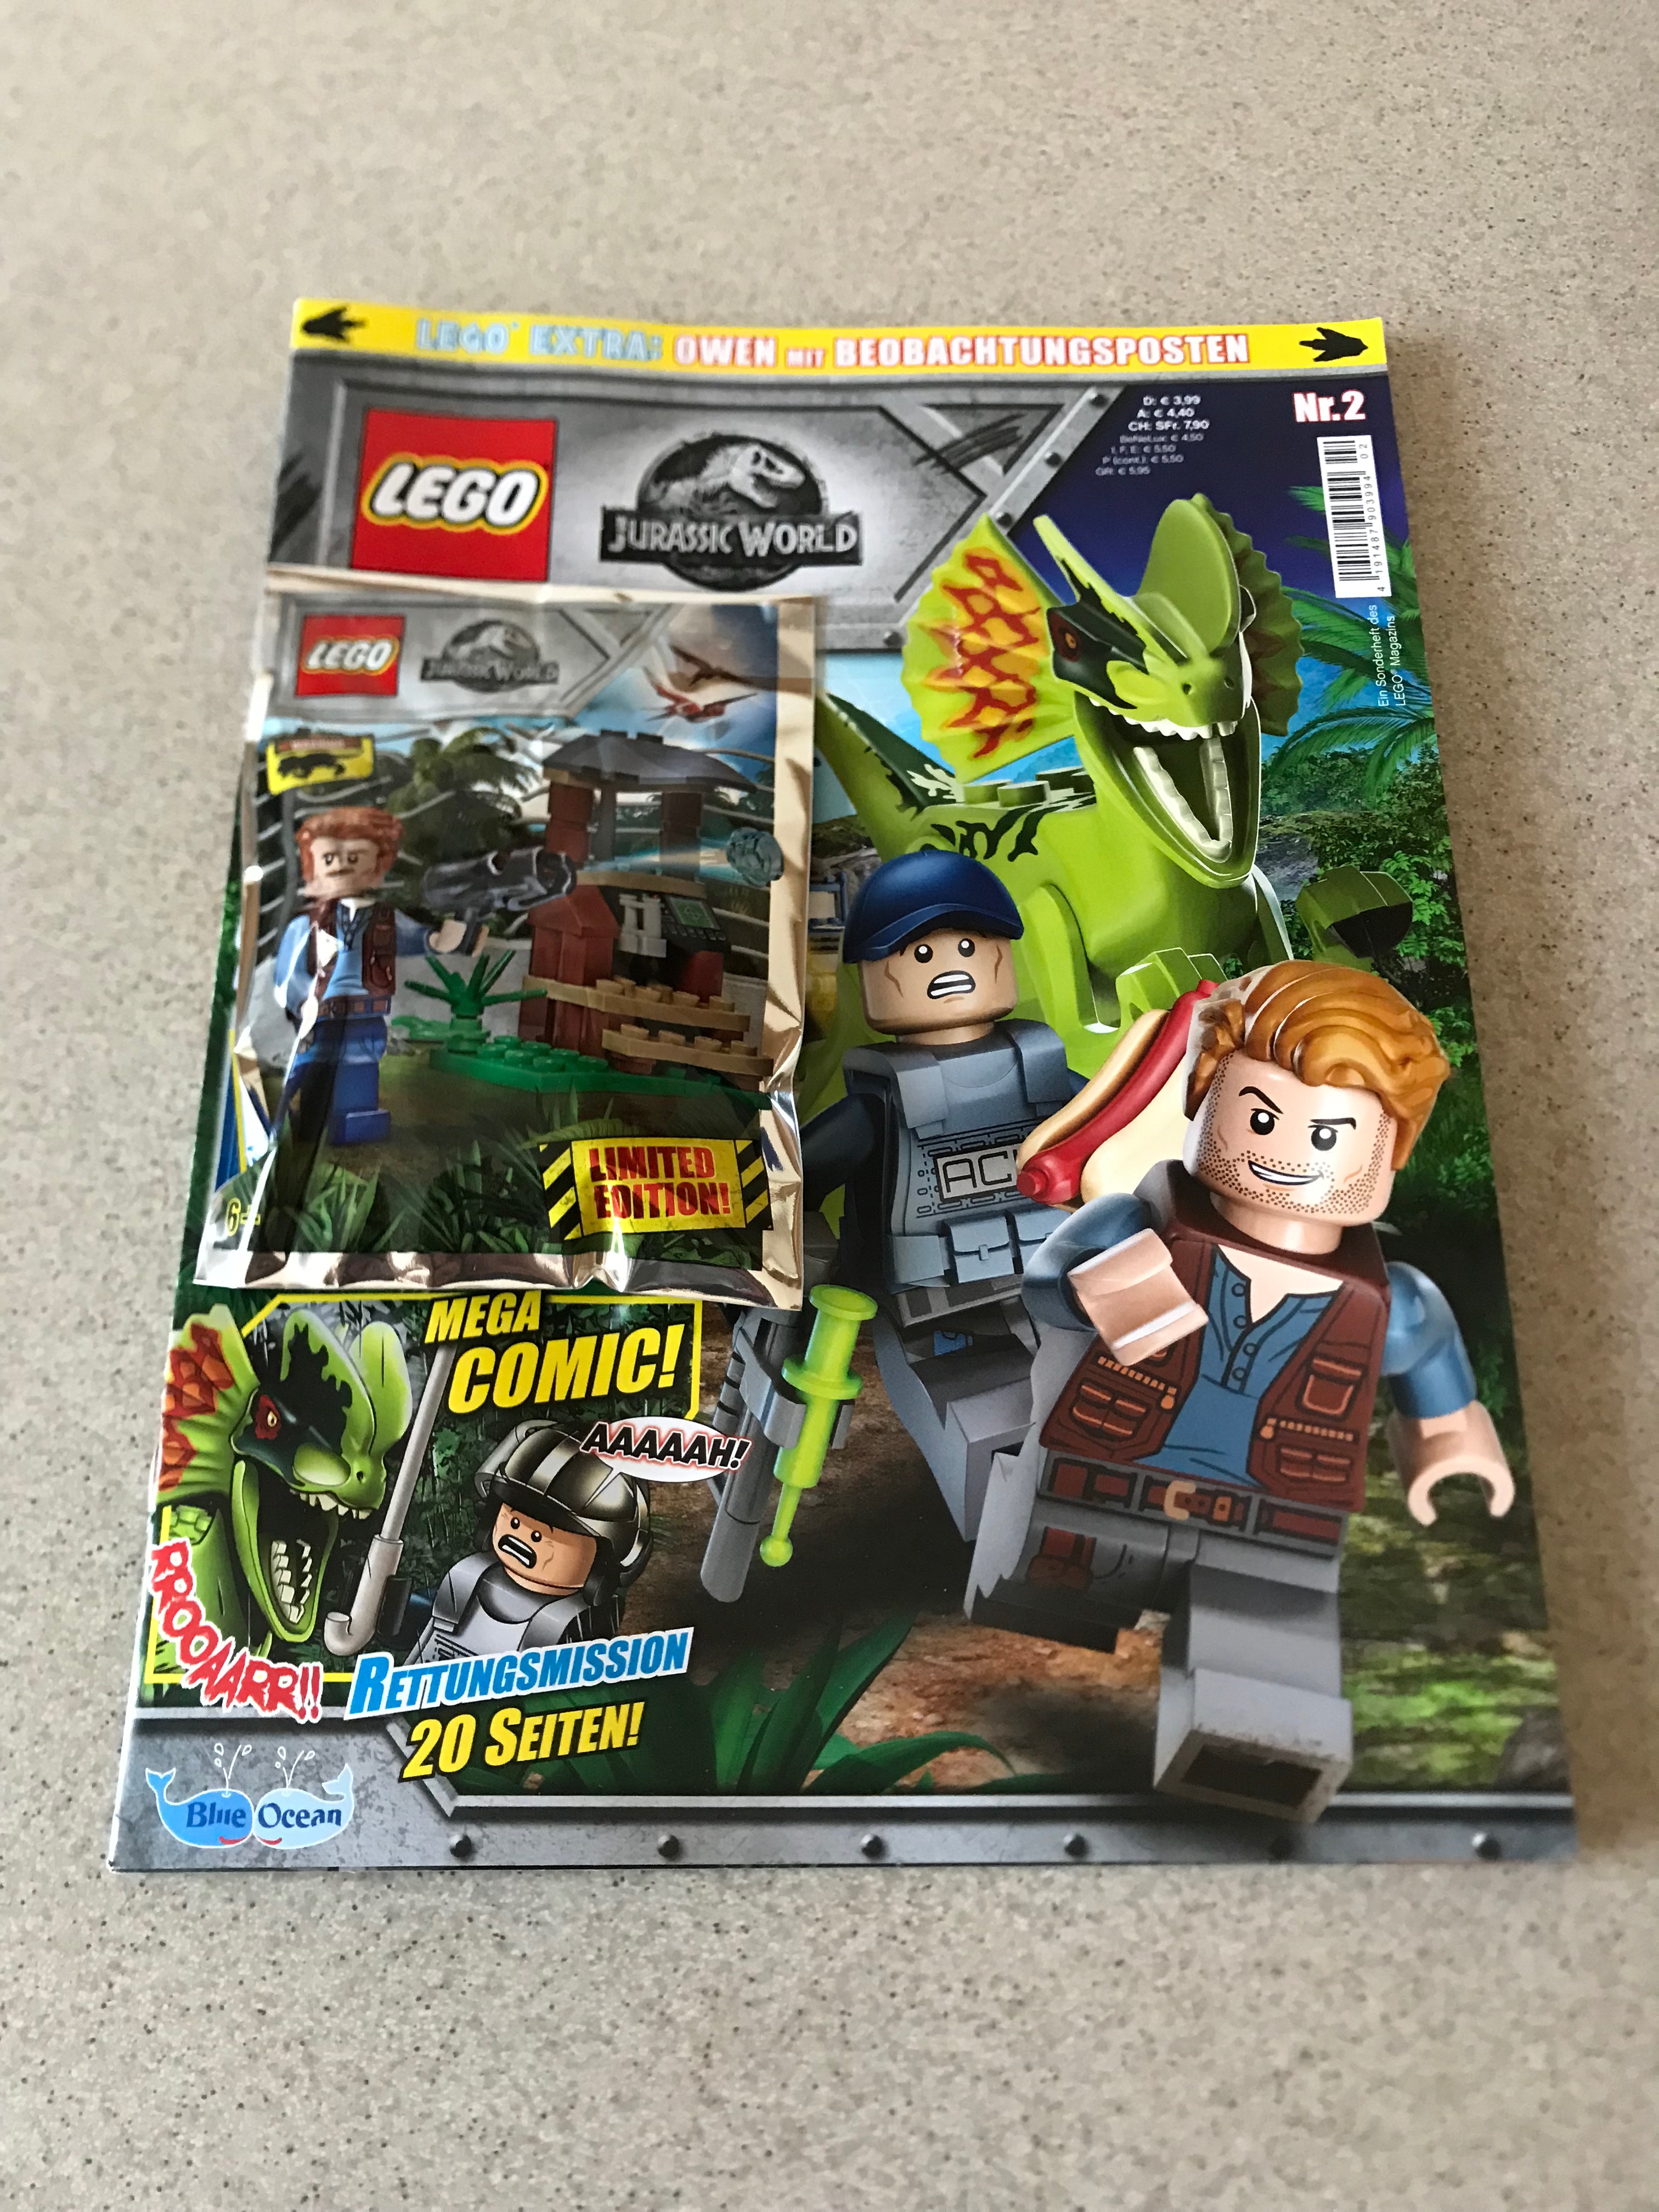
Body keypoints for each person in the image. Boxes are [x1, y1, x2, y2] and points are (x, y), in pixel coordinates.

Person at [968, 960, 1513, 1822]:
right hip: (1106, 1476)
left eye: (1328, 1135)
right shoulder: (1134, 1224)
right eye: (1261, 1117)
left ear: (1390, 1149)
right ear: (1205, 1100)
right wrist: (1104, 1288)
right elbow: (1047, 1283)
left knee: (1266, 1663)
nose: (1287, 1153)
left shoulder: (1392, 1301)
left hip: (1275, 1514)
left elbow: (1430, 1365)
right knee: (1050, 1585)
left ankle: (1246, 1766)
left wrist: (1448, 1440)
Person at [273, 805, 466, 1146]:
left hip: (366, 1018)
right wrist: (304, 1003)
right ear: (313, 867)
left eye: (355, 857)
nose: (342, 866)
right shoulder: (305, 926)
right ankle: (282, 1128)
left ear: (378, 867)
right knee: (304, 1072)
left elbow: (429, 940)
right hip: (319, 1020)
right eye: (329, 858)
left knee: (359, 1071)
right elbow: (287, 977)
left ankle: (353, 1126)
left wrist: (462, 921)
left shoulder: (386, 920)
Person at [406, 1426, 651, 1662]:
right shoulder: (465, 1580)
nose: (523, 1536)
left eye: (546, 1535)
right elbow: (424, 1620)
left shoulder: (581, 1626)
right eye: (514, 1521)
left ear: (605, 1561)